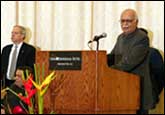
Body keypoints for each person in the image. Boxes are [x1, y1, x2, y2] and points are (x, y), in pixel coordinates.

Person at [107, 9, 154, 114]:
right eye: (122, 21)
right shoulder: (120, 37)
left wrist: (107, 70)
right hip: (121, 88)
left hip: (137, 88)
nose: (125, 24)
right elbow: (113, 56)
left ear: (136, 22)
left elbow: (128, 64)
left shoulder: (142, 38)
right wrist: (98, 60)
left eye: (128, 21)